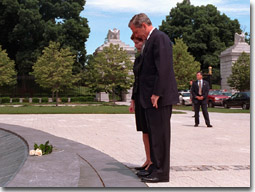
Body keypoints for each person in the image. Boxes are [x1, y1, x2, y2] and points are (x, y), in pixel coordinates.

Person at [128, 13, 179, 183]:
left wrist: (157, 92)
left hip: (160, 98)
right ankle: (154, 168)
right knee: (154, 135)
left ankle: (162, 173)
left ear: (143, 25)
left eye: (136, 31)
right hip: (151, 99)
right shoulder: (151, 40)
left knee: (161, 137)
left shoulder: (160, 38)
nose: (136, 36)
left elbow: (163, 68)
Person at [129, 34, 152, 171]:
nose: (136, 45)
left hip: (148, 98)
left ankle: (153, 162)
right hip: (139, 98)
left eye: (139, 41)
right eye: (135, 42)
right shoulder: (138, 59)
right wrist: (132, 100)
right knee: (144, 130)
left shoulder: (149, 58)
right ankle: (148, 159)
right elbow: (136, 81)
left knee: (150, 131)